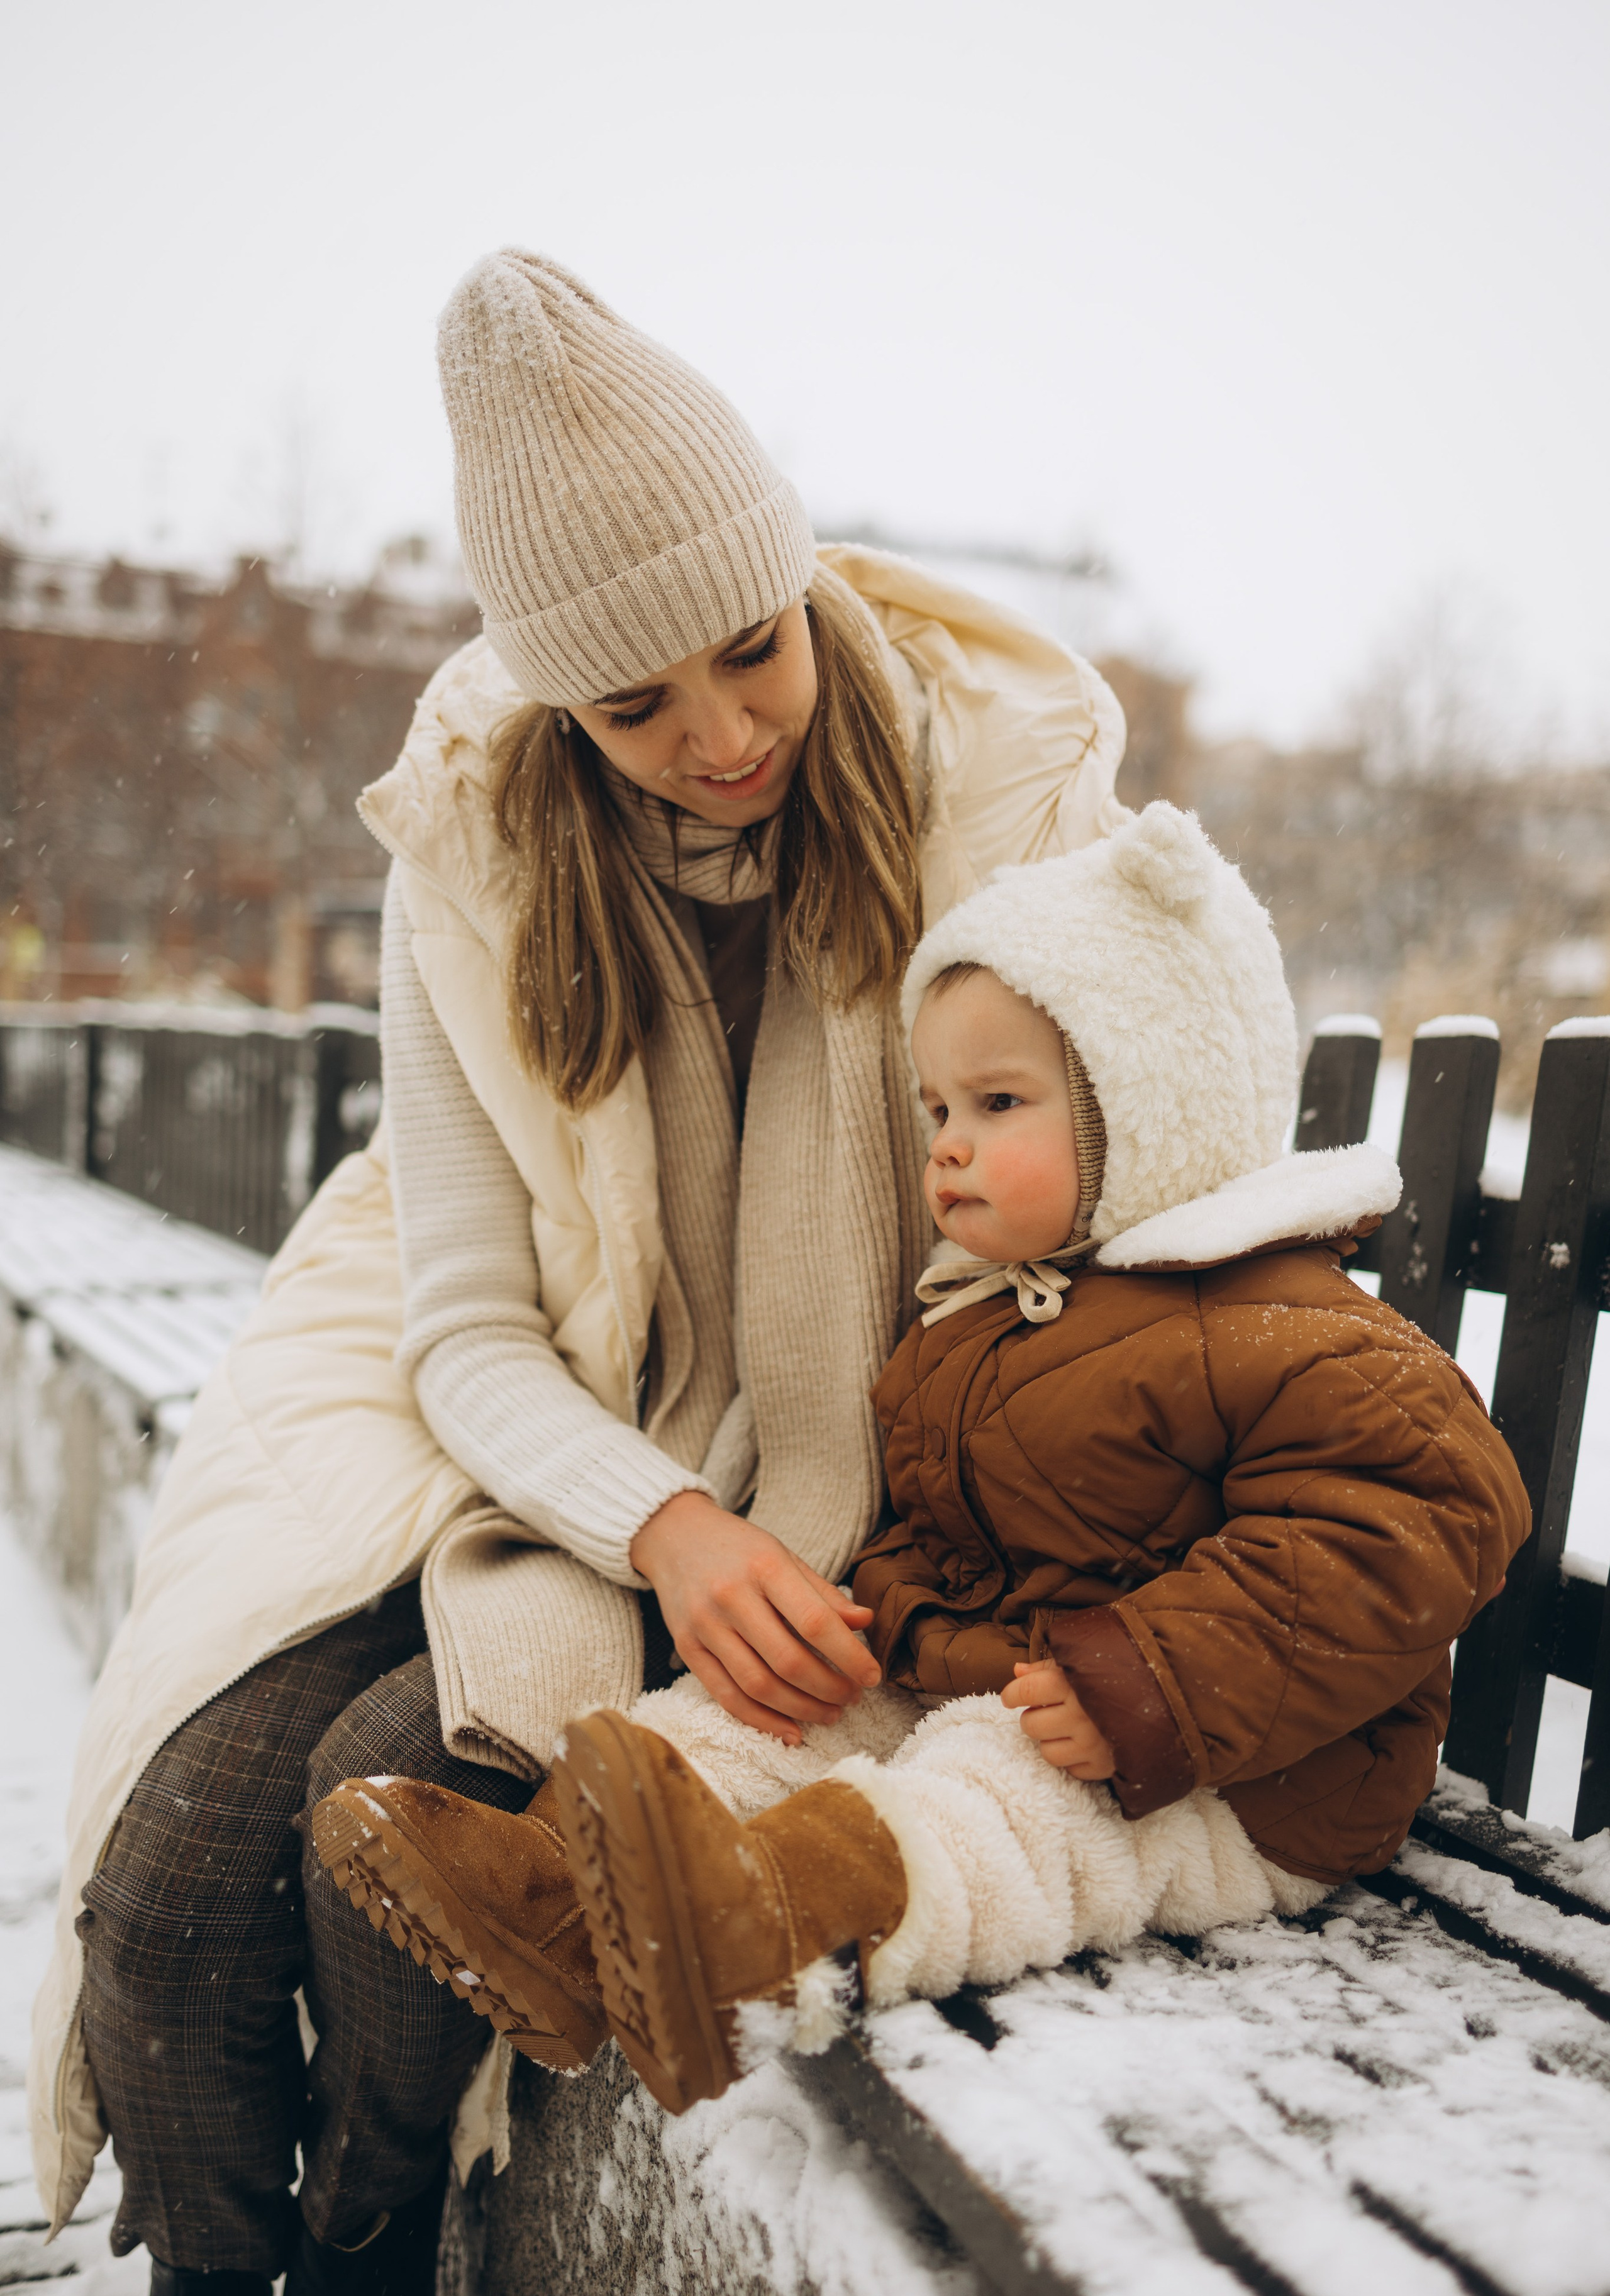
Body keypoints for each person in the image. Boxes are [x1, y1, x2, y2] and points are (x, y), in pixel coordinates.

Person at [33, 247, 1131, 2296]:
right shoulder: (479, 858)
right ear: (551, 707)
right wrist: (667, 1532)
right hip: (560, 1453)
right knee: (168, 1868)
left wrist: (765, 1540)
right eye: (636, 704)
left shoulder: (986, 808)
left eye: (750, 651)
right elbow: (461, 1325)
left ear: (798, 577)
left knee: (381, 1817)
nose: (721, 738)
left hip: (832, 1484)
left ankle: (358, 2276)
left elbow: (1082, 1210)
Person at [312, 801, 1530, 2119]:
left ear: (1150, 1102)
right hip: (1019, 1687)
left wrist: (1153, 1684)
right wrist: (878, 1620)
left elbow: (1427, 1511)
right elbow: (956, 1536)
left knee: (987, 1799)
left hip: (1243, 1779)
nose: (944, 1141)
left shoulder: (1281, 1325)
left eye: (996, 1103)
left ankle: (751, 1938)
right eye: (935, 1102)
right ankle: (553, 1908)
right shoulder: (988, 1316)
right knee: (761, 1719)